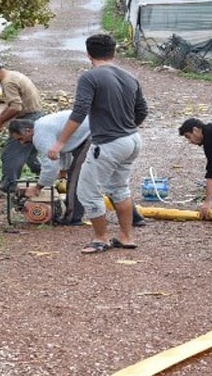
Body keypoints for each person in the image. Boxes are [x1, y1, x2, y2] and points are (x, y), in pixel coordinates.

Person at [48, 34, 149, 254]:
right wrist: (126, 126)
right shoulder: (130, 77)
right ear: (114, 52)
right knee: (119, 188)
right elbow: (142, 110)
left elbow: (79, 111)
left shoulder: (90, 77)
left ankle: (100, 238)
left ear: (88, 53)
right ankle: (126, 236)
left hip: (109, 142)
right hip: (132, 140)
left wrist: (60, 142)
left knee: (87, 191)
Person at [8, 112, 147, 226]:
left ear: (27, 130)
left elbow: (50, 165)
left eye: (21, 138)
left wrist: (37, 188)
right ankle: (135, 217)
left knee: (77, 179)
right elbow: (62, 149)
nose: (22, 143)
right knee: (113, 182)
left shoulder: (39, 135)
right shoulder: (44, 124)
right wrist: (63, 170)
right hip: (104, 133)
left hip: (93, 136)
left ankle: (72, 217)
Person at [0, 59, 44, 193]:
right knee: (30, 154)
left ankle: (8, 187)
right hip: (38, 115)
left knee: (9, 155)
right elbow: (13, 105)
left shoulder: (8, 82)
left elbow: (16, 107)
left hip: (28, 119)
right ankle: (45, 176)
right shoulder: (13, 74)